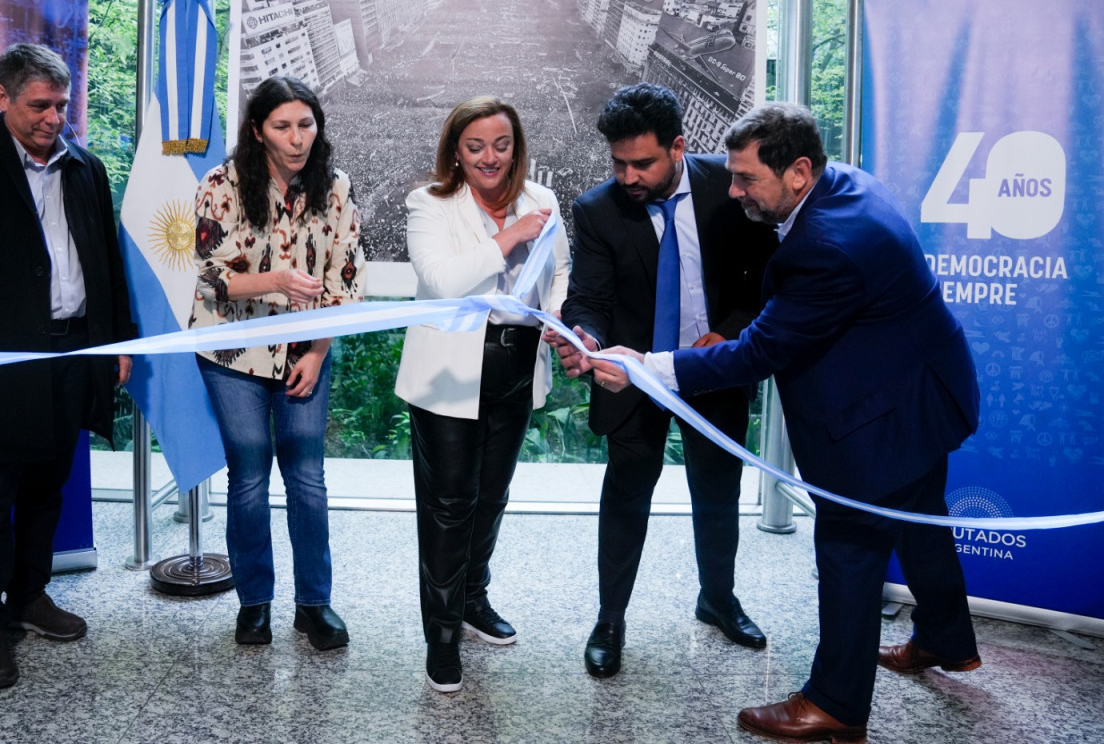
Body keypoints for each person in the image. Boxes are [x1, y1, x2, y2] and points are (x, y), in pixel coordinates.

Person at [593, 102, 980, 743]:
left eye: (746, 179)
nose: (733, 189)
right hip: (924, 393)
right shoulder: (847, 182)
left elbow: (759, 353)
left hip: (880, 419)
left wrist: (647, 367)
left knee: (850, 550)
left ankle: (836, 704)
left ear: (798, 171)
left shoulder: (826, 246)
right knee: (921, 520)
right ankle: (947, 639)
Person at [0, 42, 137, 691]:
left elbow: (107, 263)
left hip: (74, 355)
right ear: (4, 97)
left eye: (62, 105)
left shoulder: (86, 168)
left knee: (49, 484)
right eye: (39, 105)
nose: (52, 117)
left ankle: (30, 595)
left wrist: (119, 341)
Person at [547, 83, 777, 678]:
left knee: (717, 489)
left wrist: (728, 332)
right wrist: (589, 341)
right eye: (618, 163)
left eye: (642, 163)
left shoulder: (730, 190)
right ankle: (610, 619)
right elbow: (590, 300)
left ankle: (718, 599)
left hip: (713, 368)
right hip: (635, 374)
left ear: (678, 147)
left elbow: (762, 280)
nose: (627, 176)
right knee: (626, 494)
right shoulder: (597, 210)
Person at [394, 96, 570, 693]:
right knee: (449, 505)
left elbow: (561, 272)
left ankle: (473, 600)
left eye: (501, 145)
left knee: (492, 496)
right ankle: (440, 636)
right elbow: (442, 280)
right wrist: (511, 236)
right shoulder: (429, 204)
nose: (490, 158)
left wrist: (559, 317)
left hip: (518, 368)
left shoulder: (543, 200)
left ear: (516, 147)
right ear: (456, 153)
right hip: (447, 376)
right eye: (476, 147)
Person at [190, 76, 365, 653]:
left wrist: (317, 353)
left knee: (307, 479)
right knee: (249, 476)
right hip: (231, 350)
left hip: (305, 354)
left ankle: (314, 604)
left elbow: (346, 282)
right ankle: (253, 603)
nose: (297, 139)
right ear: (258, 131)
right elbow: (211, 276)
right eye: (283, 127)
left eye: (306, 124)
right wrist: (277, 282)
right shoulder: (223, 183)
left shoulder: (335, 187)